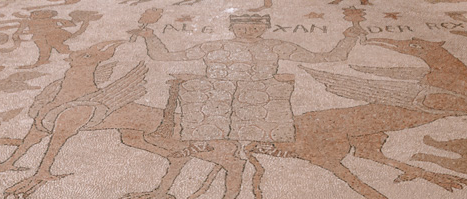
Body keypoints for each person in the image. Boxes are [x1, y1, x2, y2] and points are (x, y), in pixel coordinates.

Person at [129, 13, 364, 143]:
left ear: (264, 28)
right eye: (242, 27)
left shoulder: (276, 45)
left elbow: (328, 57)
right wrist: (149, 36)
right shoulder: (214, 46)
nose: (248, 31)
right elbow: (163, 56)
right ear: (233, 27)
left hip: (259, 97)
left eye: (254, 27)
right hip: (215, 98)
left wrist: (350, 37)